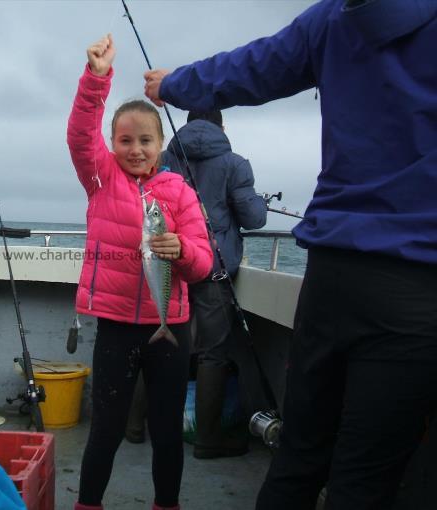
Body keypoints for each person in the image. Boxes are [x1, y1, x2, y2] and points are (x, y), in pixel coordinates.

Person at [143, 1, 437, 509]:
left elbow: (251, 66)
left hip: (331, 276)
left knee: (298, 457)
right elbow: (253, 219)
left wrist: (174, 83)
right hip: (416, 287)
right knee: (365, 478)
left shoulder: (334, 17)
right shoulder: (236, 161)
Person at [68, 34, 213, 510]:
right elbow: (79, 133)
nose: (135, 149)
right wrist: (97, 78)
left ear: (161, 144)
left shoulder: (179, 192)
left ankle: (166, 504)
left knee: (167, 429)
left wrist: (182, 250)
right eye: (125, 141)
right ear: (112, 145)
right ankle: (88, 503)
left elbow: (203, 261)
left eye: (145, 141)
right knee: (105, 429)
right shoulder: (100, 179)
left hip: (169, 329)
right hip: (116, 327)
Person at [162, 109, 267, 459]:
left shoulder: (165, 159)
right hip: (212, 270)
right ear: (221, 127)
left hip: (170, 265)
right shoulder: (234, 163)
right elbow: (254, 219)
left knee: (157, 345)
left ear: (189, 122)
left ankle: (135, 428)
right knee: (213, 353)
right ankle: (207, 439)